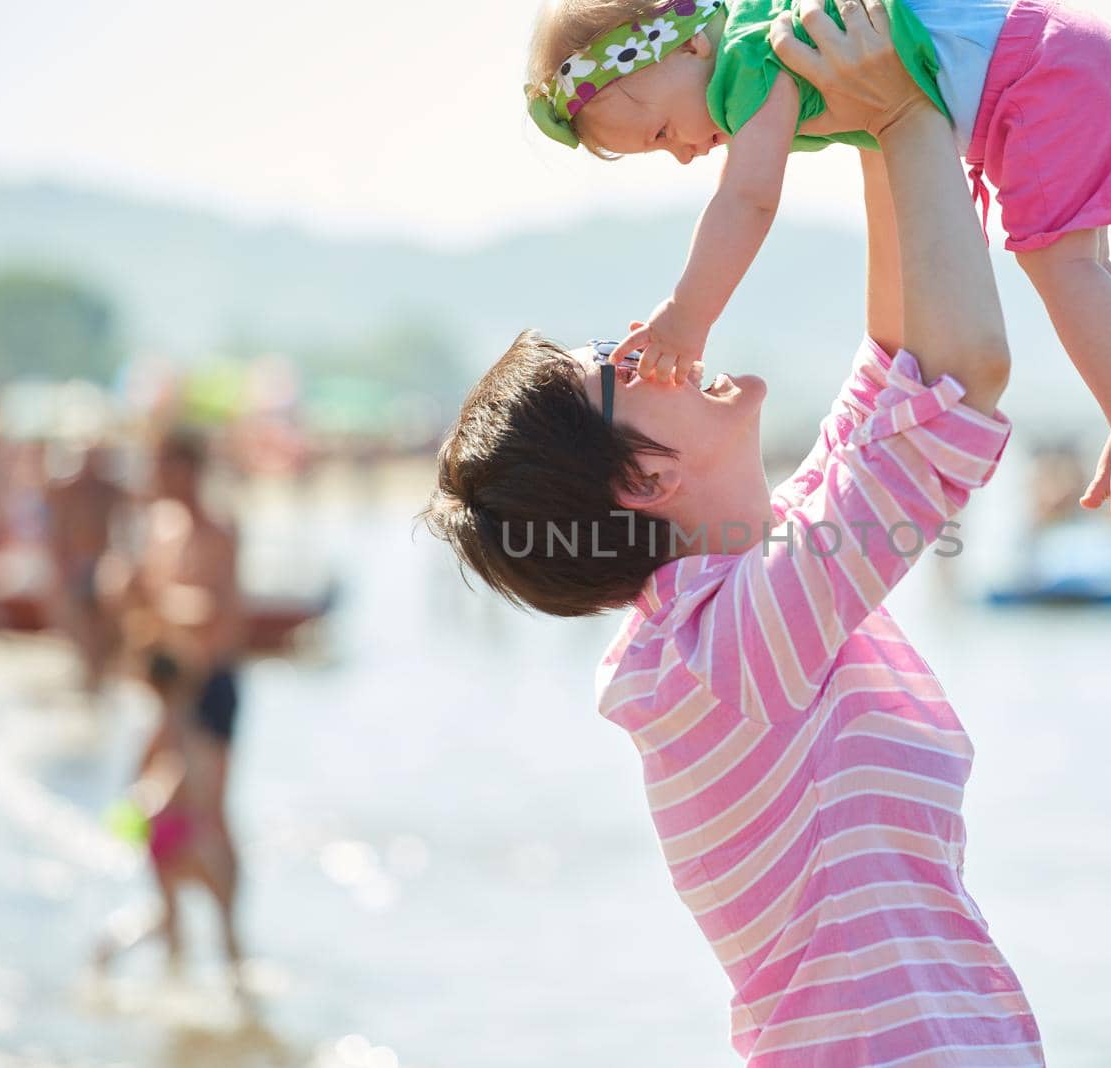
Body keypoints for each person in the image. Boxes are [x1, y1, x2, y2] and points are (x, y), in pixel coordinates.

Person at [429, 4, 1043, 1062]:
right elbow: (960, 380)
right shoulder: (714, 656)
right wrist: (904, 114)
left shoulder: (735, 607)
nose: (643, 341)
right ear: (642, 476)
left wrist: (861, 98)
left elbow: (902, 367)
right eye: (617, 368)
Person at [526, 0, 1111, 528]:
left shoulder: (750, 62)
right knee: (1084, 262)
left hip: (1042, 78)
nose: (684, 155)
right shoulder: (764, 27)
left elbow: (747, 200)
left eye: (664, 132)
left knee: (1062, 265)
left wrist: (685, 319)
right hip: (1068, 51)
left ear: (691, 43)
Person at [100, 428, 246, 971]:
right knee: (153, 807)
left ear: (189, 468)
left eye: (164, 465)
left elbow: (218, 612)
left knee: (206, 814)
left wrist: (151, 597)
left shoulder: (217, 530)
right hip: (167, 690)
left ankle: (229, 942)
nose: (156, 477)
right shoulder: (160, 529)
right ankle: (174, 930)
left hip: (208, 687)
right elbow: (140, 614)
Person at [44, 443, 126, 704]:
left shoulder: (108, 490)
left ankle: (98, 673)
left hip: (101, 562)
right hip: (78, 563)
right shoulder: (69, 490)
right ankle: (89, 671)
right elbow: (58, 528)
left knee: (99, 622)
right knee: (79, 620)